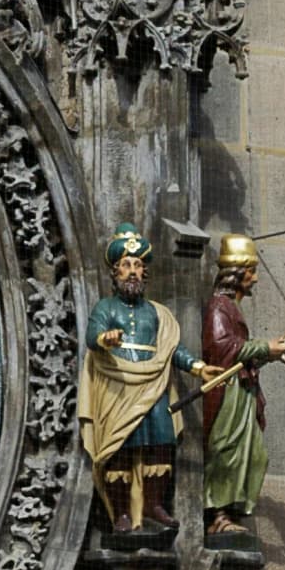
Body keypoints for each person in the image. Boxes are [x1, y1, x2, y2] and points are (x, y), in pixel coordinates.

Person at [197, 234, 285, 534]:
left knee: (253, 454)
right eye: (251, 271)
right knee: (227, 451)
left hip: (242, 391)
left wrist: (271, 352)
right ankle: (219, 515)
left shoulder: (230, 307)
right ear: (236, 273)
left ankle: (231, 513)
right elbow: (222, 347)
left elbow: (238, 353)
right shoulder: (218, 306)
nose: (256, 278)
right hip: (228, 394)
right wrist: (264, 348)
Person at [82, 225, 182, 532]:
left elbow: (171, 349)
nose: (133, 272)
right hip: (119, 384)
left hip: (154, 385)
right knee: (120, 447)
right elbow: (91, 336)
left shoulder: (157, 313)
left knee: (161, 443)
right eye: (126, 265)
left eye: (138, 265)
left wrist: (198, 366)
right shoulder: (107, 307)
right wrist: (105, 338)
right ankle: (121, 512)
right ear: (115, 272)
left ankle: (153, 505)